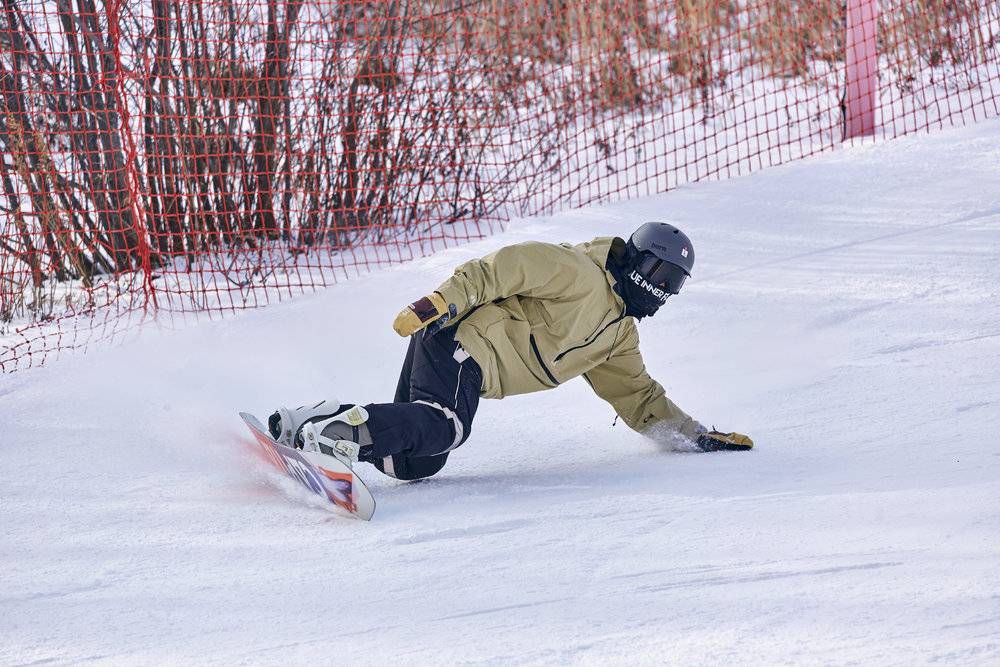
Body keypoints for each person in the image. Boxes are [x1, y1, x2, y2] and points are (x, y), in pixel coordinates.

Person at [268, 222, 753, 481]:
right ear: (636, 259)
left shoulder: (619, 337)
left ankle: (316, 420)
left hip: (466, 355)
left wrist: (695, 437)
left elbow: (640, 399)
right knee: (446, 427)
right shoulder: (579, 272)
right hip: (462, 339)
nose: (661, 289)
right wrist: (439, 302)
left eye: (673, 283)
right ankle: (334, 437)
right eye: (659, 273)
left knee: (413, 463)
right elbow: (501, 268)